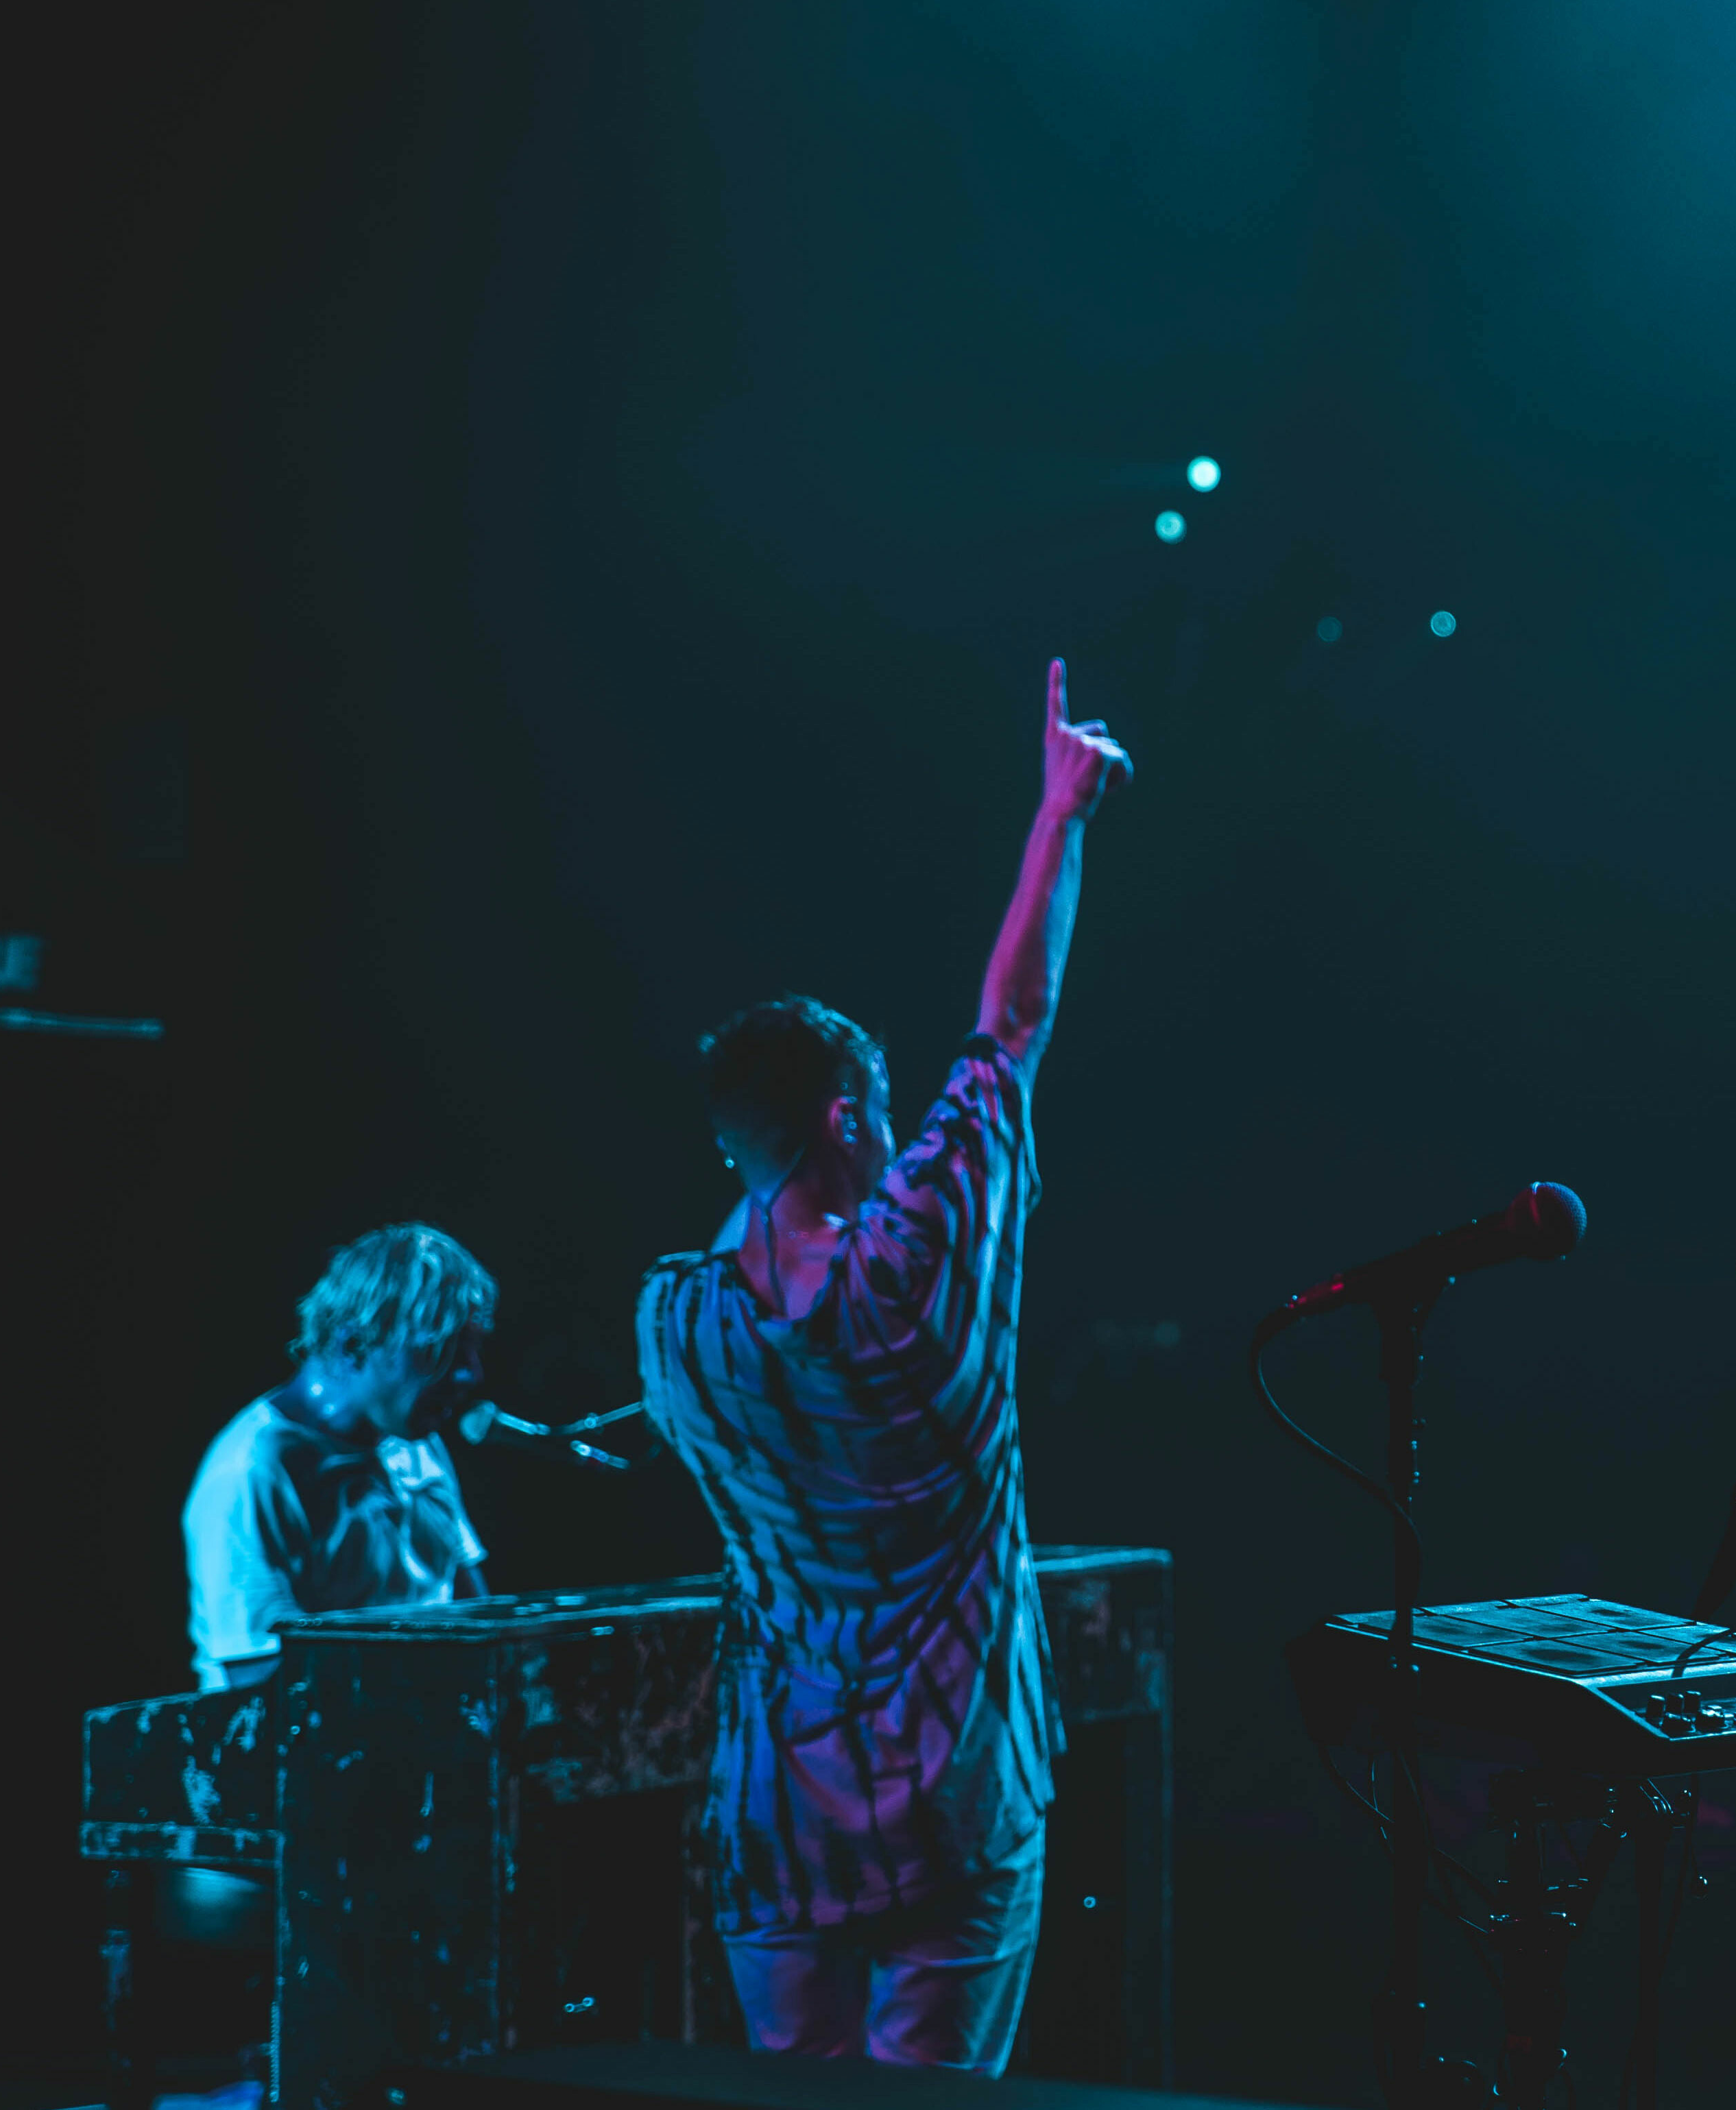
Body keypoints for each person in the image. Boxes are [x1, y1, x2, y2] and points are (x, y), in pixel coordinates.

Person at [636, 659, 1129, 2075]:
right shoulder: (918, 1264)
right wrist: (1058, 816)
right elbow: (1011, 1026)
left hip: (779, 1802)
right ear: (852, 1117)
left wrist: (762, 1167)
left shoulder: (678, 1321)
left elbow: (756, 1250)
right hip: (954, 1786)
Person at [183, 1222, 496, 1693]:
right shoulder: (251, 1472)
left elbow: (477, 1614)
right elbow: (260, 1680)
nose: (472, 1373)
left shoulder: (414, 1442)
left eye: (473, 1349)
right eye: (440, 1349)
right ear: (354, 1346)